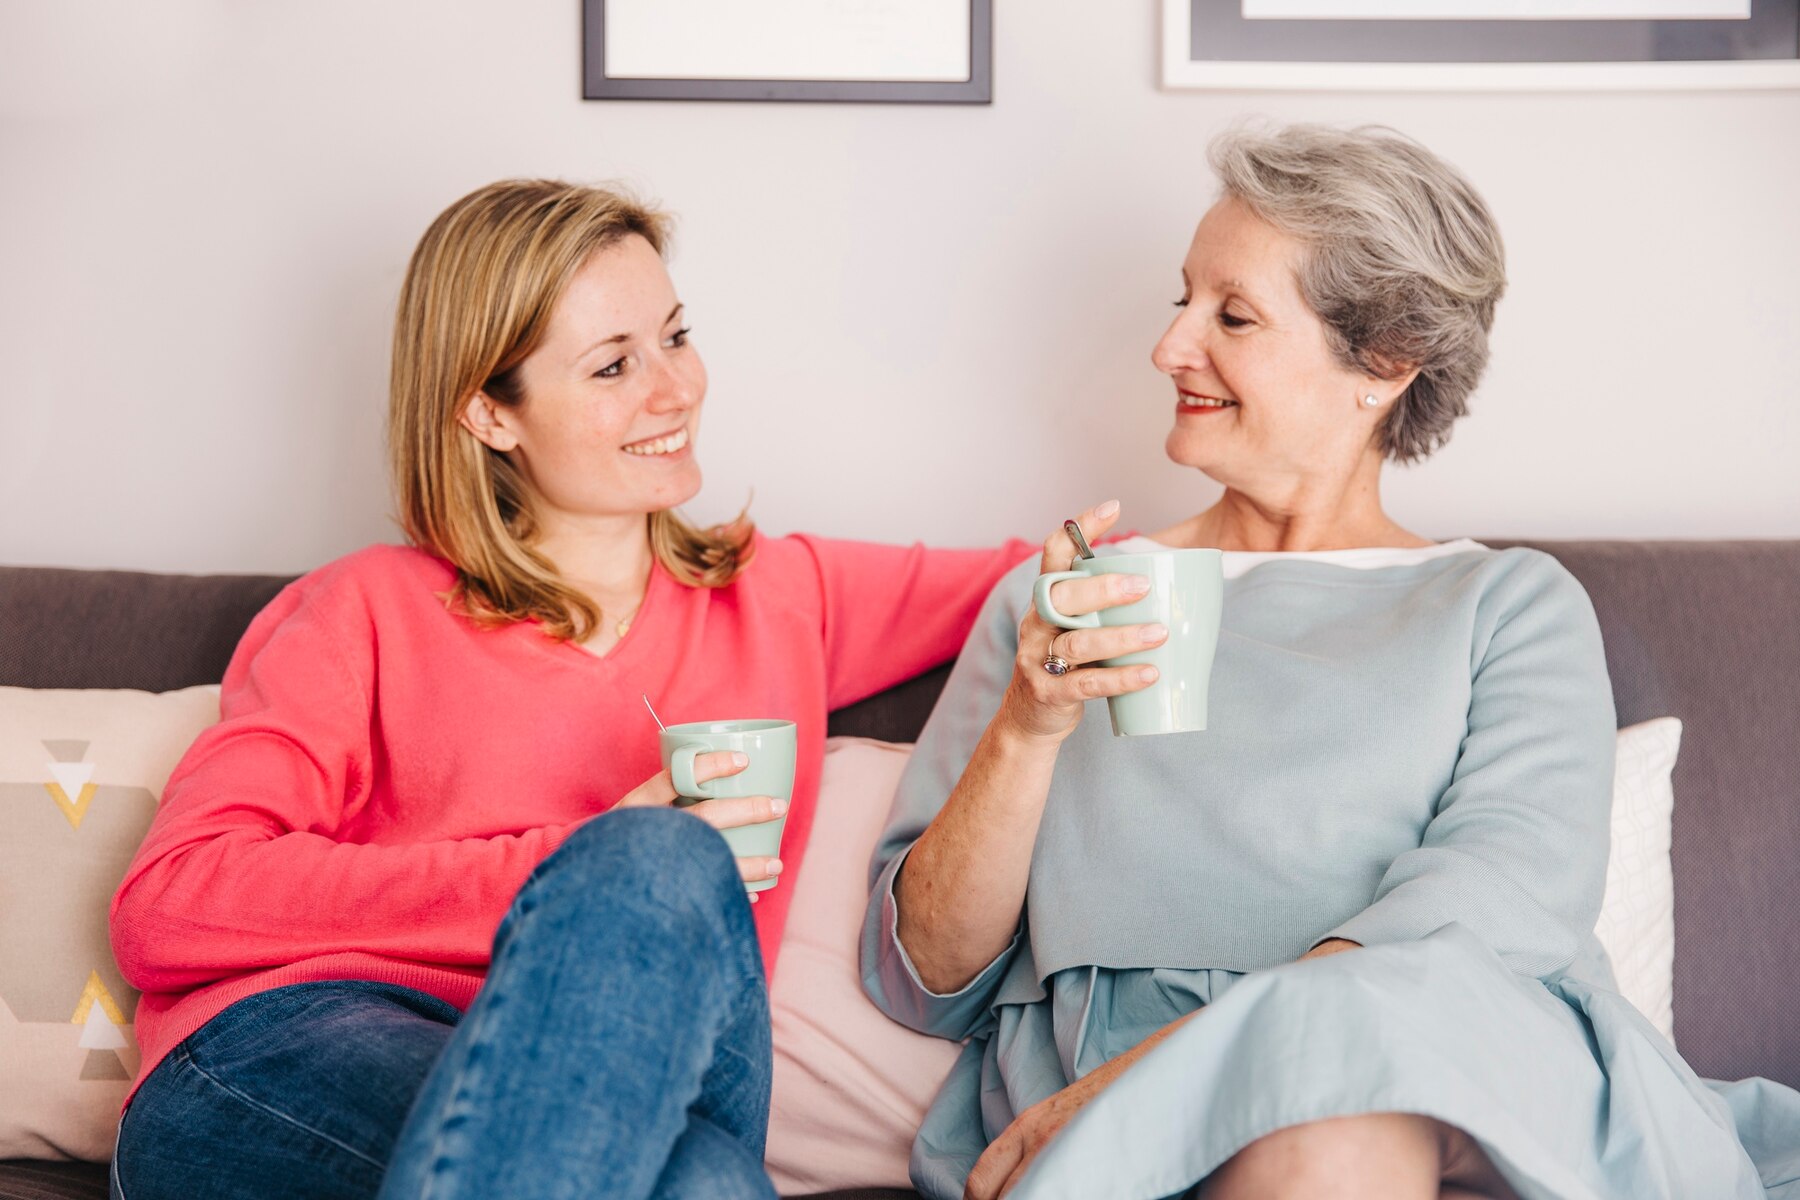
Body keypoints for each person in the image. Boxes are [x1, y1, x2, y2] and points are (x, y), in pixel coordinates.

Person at [861, 124, 1800, 1200]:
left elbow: (1502, 901)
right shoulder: (1056, 607)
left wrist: (1162, 1077)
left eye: (1233, 316)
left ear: (1386, 361)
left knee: (1333, 1126)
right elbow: (920, 974)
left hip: (1423, 1055)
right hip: (1097, 1077)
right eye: (1182, 303)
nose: (1170, 347)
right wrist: (1029, 727)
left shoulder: (1503, 605)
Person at [108, 178, 1033, 1200]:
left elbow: (1054, 576)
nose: (675, 390)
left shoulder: (778, 595)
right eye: (612, 366)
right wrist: (568, 869)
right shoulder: (361, 611)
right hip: (310, 1047)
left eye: (675, 337)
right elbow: (170, 903)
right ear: (487, 412)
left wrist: (1232, 512)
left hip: (667, 1063)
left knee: (669, 906)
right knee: (704, 1174)